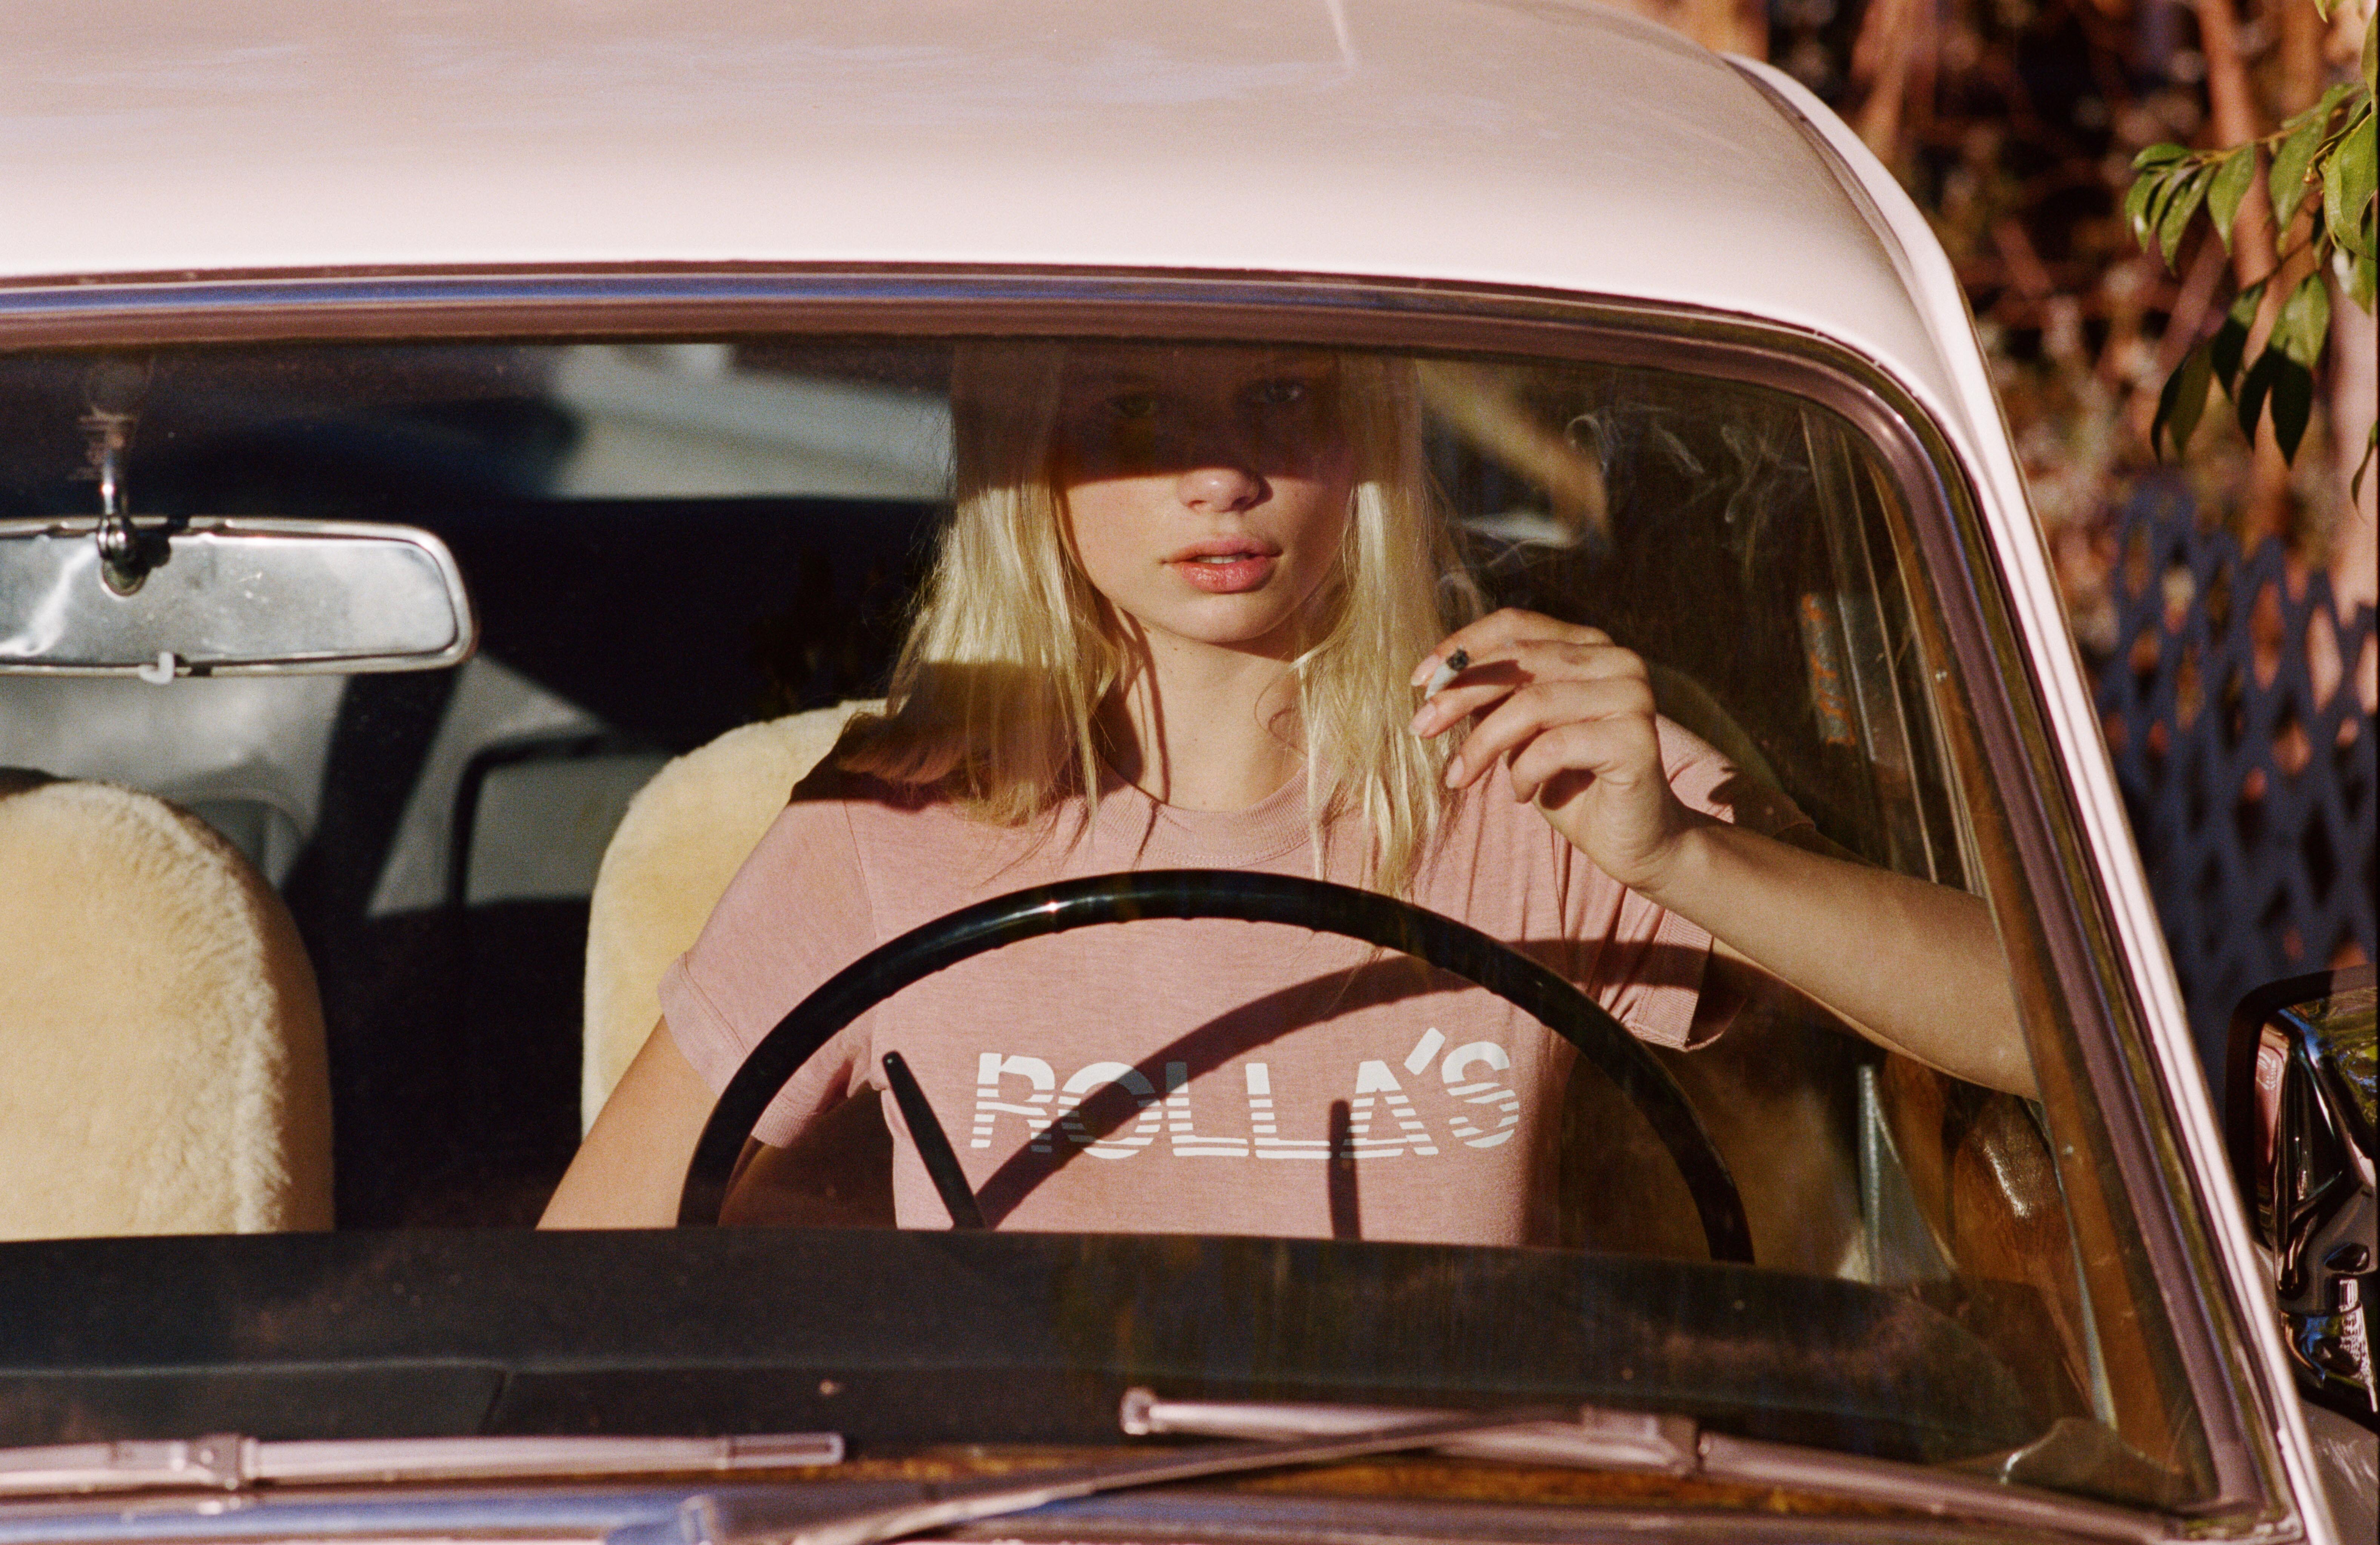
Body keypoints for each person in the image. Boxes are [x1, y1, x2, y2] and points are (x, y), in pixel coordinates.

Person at [541, 342, 2029, 1243]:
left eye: (1279, 395)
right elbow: (594, 1265)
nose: (1220, 476)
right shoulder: (903, 815)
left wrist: (1678, 856)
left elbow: (2044, 1034)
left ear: (1368, 433)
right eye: (1135, 409)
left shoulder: (1524, 760)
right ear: (1029, 455)